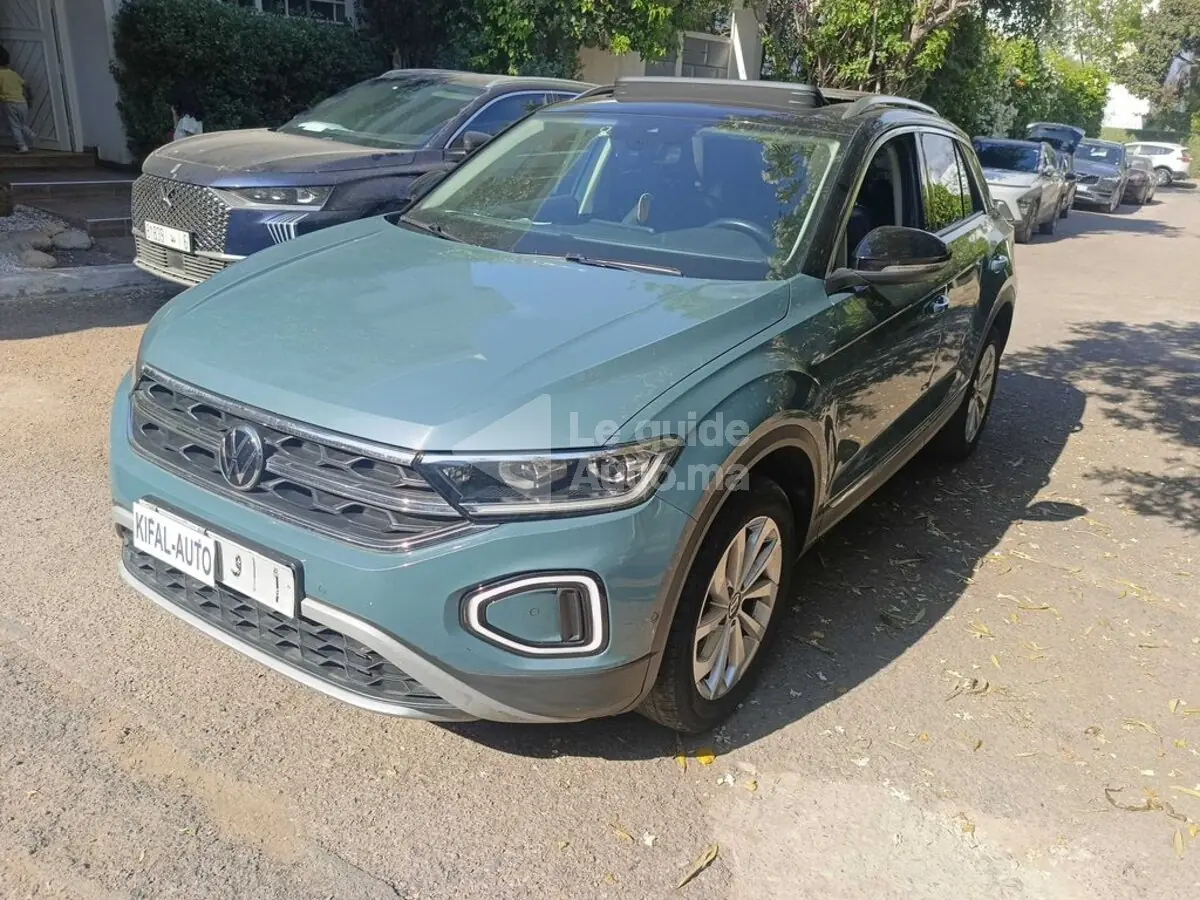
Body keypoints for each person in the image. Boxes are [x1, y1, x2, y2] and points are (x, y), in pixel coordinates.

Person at [0, 45, 37, 154]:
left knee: (14, 125)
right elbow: (26, 85)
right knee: (22, 123)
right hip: (22, 101)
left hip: (9, 103)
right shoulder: (13, 74)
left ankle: (22, 146)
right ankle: (30, 134)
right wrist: (29, 98)